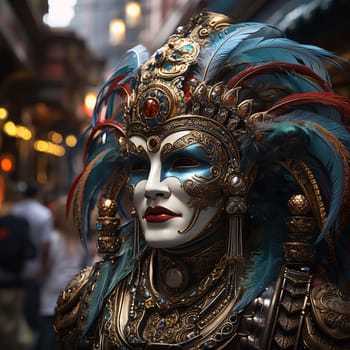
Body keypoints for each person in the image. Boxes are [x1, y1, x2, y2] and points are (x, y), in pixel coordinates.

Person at [55, 10, 350, 349]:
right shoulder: (85, 302)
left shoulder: (303, 316)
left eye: (182, 162)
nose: (151, 186)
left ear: (243, 174)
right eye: (138, 166)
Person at [37, 196, 86, 350]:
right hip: (73, 289)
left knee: (47, 332)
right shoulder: (79, 239)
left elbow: (46, 266)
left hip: (52, 286)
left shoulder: (52, 238)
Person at [11, 181, 53, 343]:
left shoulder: (15, 210)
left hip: (15, 267)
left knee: (18, 307)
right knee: (32, 307)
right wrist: (43, 267)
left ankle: (18, 338)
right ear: (37, 194)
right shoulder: (43, 213)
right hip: (35, 268)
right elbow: (45, 245)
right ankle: (32, 338)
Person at [0, 206, 35, 350]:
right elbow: (30, 251)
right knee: (14, 319)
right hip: (15, 281)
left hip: (6, 280)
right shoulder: (20, 224)